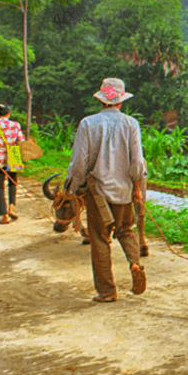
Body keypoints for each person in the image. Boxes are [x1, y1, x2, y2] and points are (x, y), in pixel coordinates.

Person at [65, 78, 147, 303]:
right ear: (120, 102)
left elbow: (79, 162)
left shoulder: (87, 124)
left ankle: (107, 290)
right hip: (124, 191)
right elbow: (137, 162)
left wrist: (73, 186)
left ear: (101, 100)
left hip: (97, 192)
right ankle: (134, 264)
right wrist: (137, 188)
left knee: (100, 239)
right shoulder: (131, 124)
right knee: (126, 229)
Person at [0, 104, 22, 225]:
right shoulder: (16, 125)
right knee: (12, 183)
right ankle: (11, 207)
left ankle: (4, 216)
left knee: (0, 187)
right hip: (13, 158)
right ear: (9, 114)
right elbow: (20, 140)